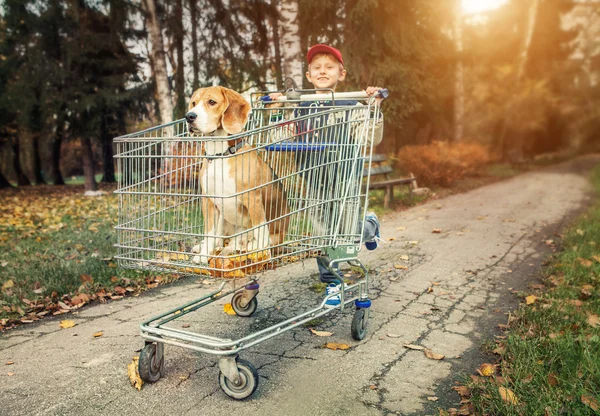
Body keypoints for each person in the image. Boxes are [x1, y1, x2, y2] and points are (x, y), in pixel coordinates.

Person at [270, 44, 384, 307]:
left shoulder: (353, 104)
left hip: (344, 178)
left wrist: (374, 108)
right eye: (317, 68)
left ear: (341, 74)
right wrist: (277, 110)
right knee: (321, 234)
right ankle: (333, 282)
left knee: (345, 233)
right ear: (308, 76)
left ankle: (370, 228)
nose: (323, 71)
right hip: (313, 179)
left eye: (329, 67)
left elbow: (370, 138)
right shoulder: (300, 107)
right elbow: (282, 138)